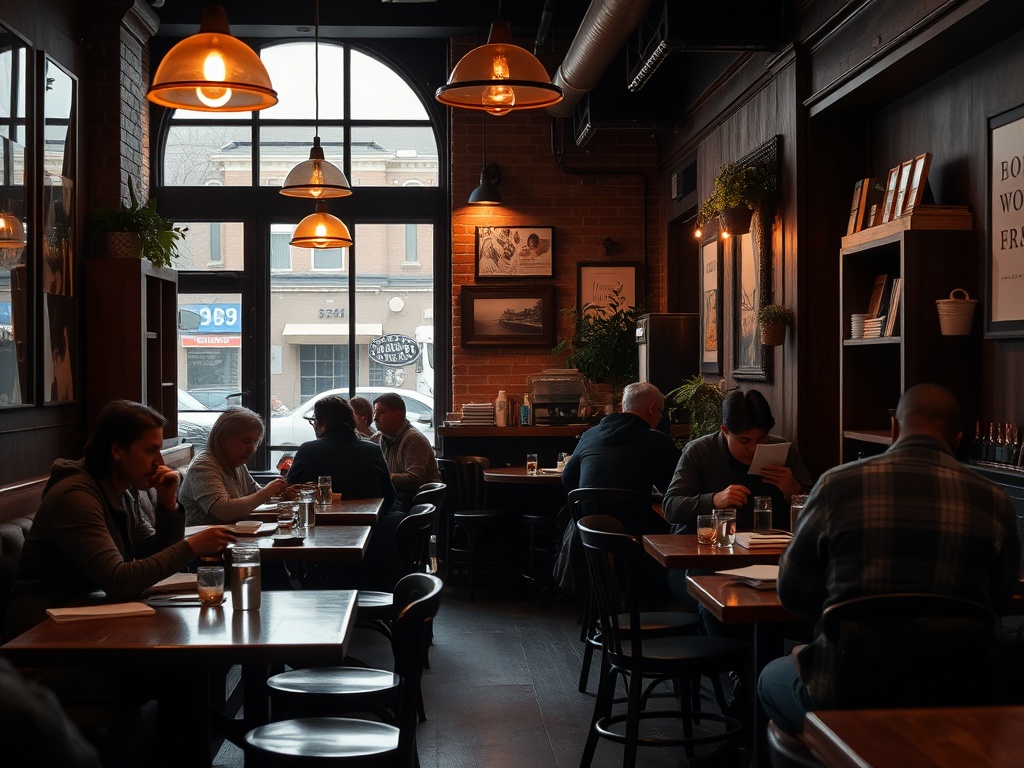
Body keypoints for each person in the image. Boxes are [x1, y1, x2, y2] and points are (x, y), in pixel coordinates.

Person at [758, 384, 1021, 735]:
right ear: (957, 440)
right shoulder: (995, 500)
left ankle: (831, 753)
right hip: (959, 688)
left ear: (895, 428)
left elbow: (792, 591)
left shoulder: (837, 485)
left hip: (848, 688)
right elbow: (1000, 600)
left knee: (769, 679)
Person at [5, 400, 236, 639]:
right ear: (117, 451)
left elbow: (152, 552)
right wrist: (191, 546)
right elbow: (119, 582)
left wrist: (168, 504)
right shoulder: (75, 496)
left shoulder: (123, 491)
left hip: (87, 618)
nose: (160, 462)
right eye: (150, 450)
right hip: (40, 635)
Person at [556, 381, 680, 597]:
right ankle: (662, 597)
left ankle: (605, 598)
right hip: (634, 536)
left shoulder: (590, 434)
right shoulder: (658, 441)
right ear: (652, 409)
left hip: (587, 532)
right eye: (661, 413)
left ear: (624, 406)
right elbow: (675, 488)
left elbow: (568, 479)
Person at [662, 388, 815, 533]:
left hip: (769, 544)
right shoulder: (700, 451)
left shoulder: (784, 452)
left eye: (761, 438)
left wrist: (795, 490)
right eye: (744, 441)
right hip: (707, 544)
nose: (753, 448)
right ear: (725, 431)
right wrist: (714, 500)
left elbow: (820, 509)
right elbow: (671, 508)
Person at [179, 406, 288, 526]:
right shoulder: (203, 466)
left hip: (230, 535)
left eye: (256, 443)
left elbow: (255, 494)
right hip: (201, 537)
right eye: (246, 442)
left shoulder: (237, 464)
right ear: (223, 439)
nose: (252, 449)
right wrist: (267, 492)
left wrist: (282, 496)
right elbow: (224, 511)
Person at [286, 395, 396, 511]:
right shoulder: (373, 450)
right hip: (367, 519)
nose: (314, 427)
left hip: (318, 520)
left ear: (323, 423)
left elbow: (290, 489)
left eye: (315, 421)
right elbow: (389, 497)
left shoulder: (307, 450)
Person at [372, 392, 439, 513]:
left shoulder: (413, 439)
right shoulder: (378, 438)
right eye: (374, 412)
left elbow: (413, 479)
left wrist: (382, 477)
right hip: (396, 494)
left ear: (397, 414)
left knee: (385, 511)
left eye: (380, 413)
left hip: (415, 500)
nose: (375, 418)